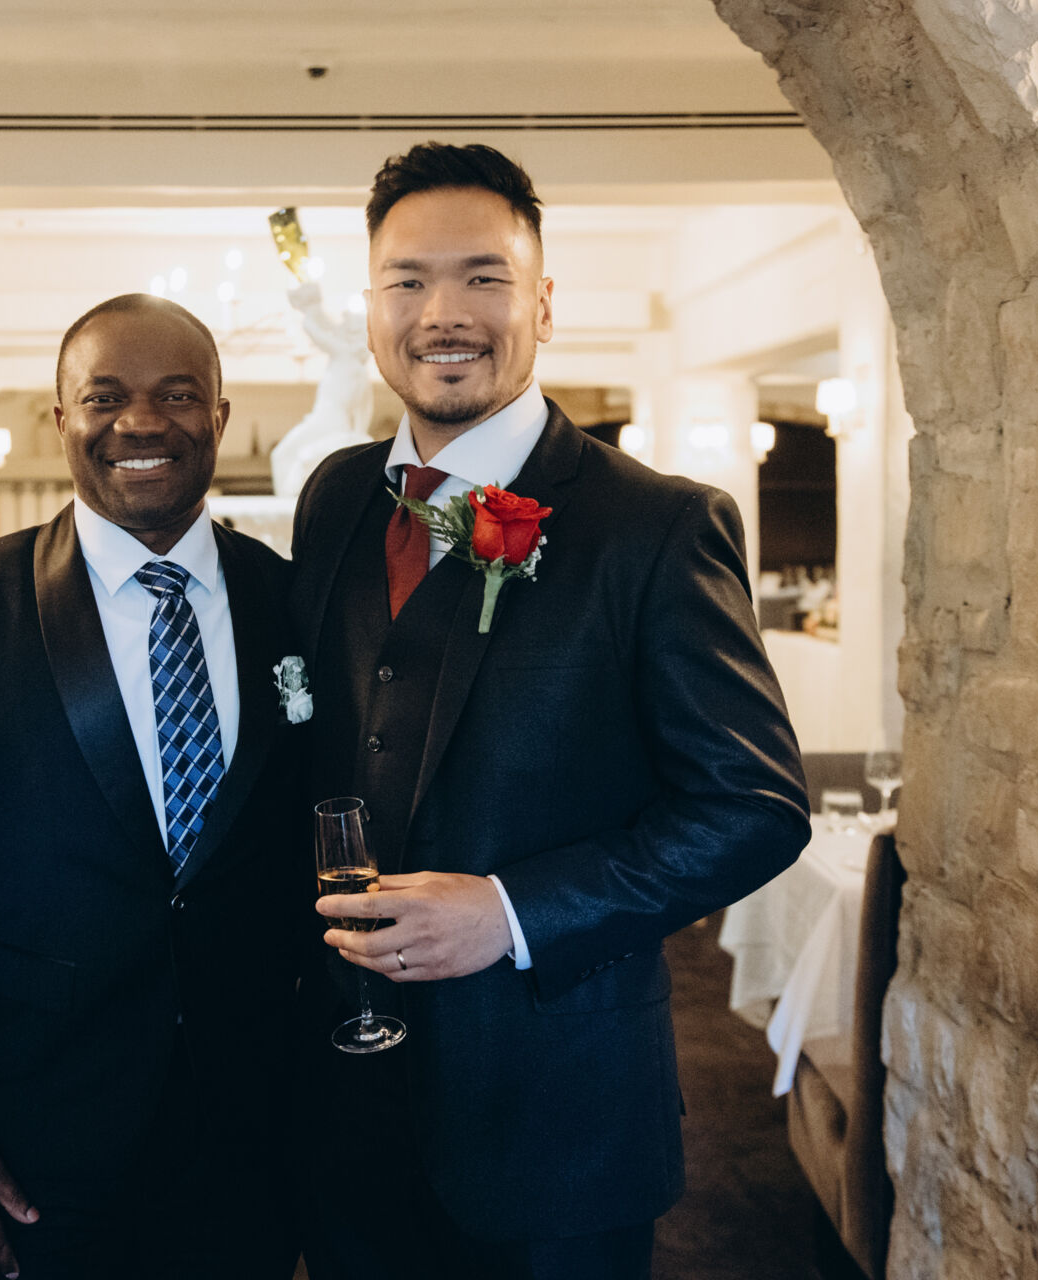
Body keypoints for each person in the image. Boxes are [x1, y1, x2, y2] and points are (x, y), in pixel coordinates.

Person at [288, 142, 812, 1280]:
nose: (444, 313)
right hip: (346, 1106)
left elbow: (756, 807)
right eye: (408, 280)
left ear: (543, 303)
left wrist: (510, 910)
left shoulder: (657, 526)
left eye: (484, 277)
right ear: (371, 307)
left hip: (557, 1123)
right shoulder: (333, 498)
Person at [0, 294, 304, 1280]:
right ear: (61, 419)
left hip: (254, 1132)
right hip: (37, 1141)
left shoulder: (291, 599)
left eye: (177, 394)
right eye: (105, 397)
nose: (141, 421)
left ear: (219, 416)